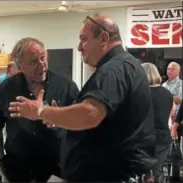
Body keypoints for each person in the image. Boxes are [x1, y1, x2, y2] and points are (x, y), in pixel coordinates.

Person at [8, 14, 156, 182]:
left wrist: (40, 111)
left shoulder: (113, 70)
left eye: (83, 39)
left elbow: (90, 114)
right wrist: (58, 117)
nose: (79, 47)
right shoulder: (124, 65)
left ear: (104, 38)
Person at [0, 37, 79, 182]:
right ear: (20, 66)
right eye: (33, 61)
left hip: (58, 171)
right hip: (17, 171)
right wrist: (0, 161)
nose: (41, 65)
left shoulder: (66, 86)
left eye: (43, 58)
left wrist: (58, 120)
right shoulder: (6, 88)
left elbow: (80, 124)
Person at [141, 62, 175, 182]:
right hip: (164, 139)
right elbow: (172, 113)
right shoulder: (167, 93)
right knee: (158, 172)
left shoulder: (140, 93)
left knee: (143, 173)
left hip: (144, 139)